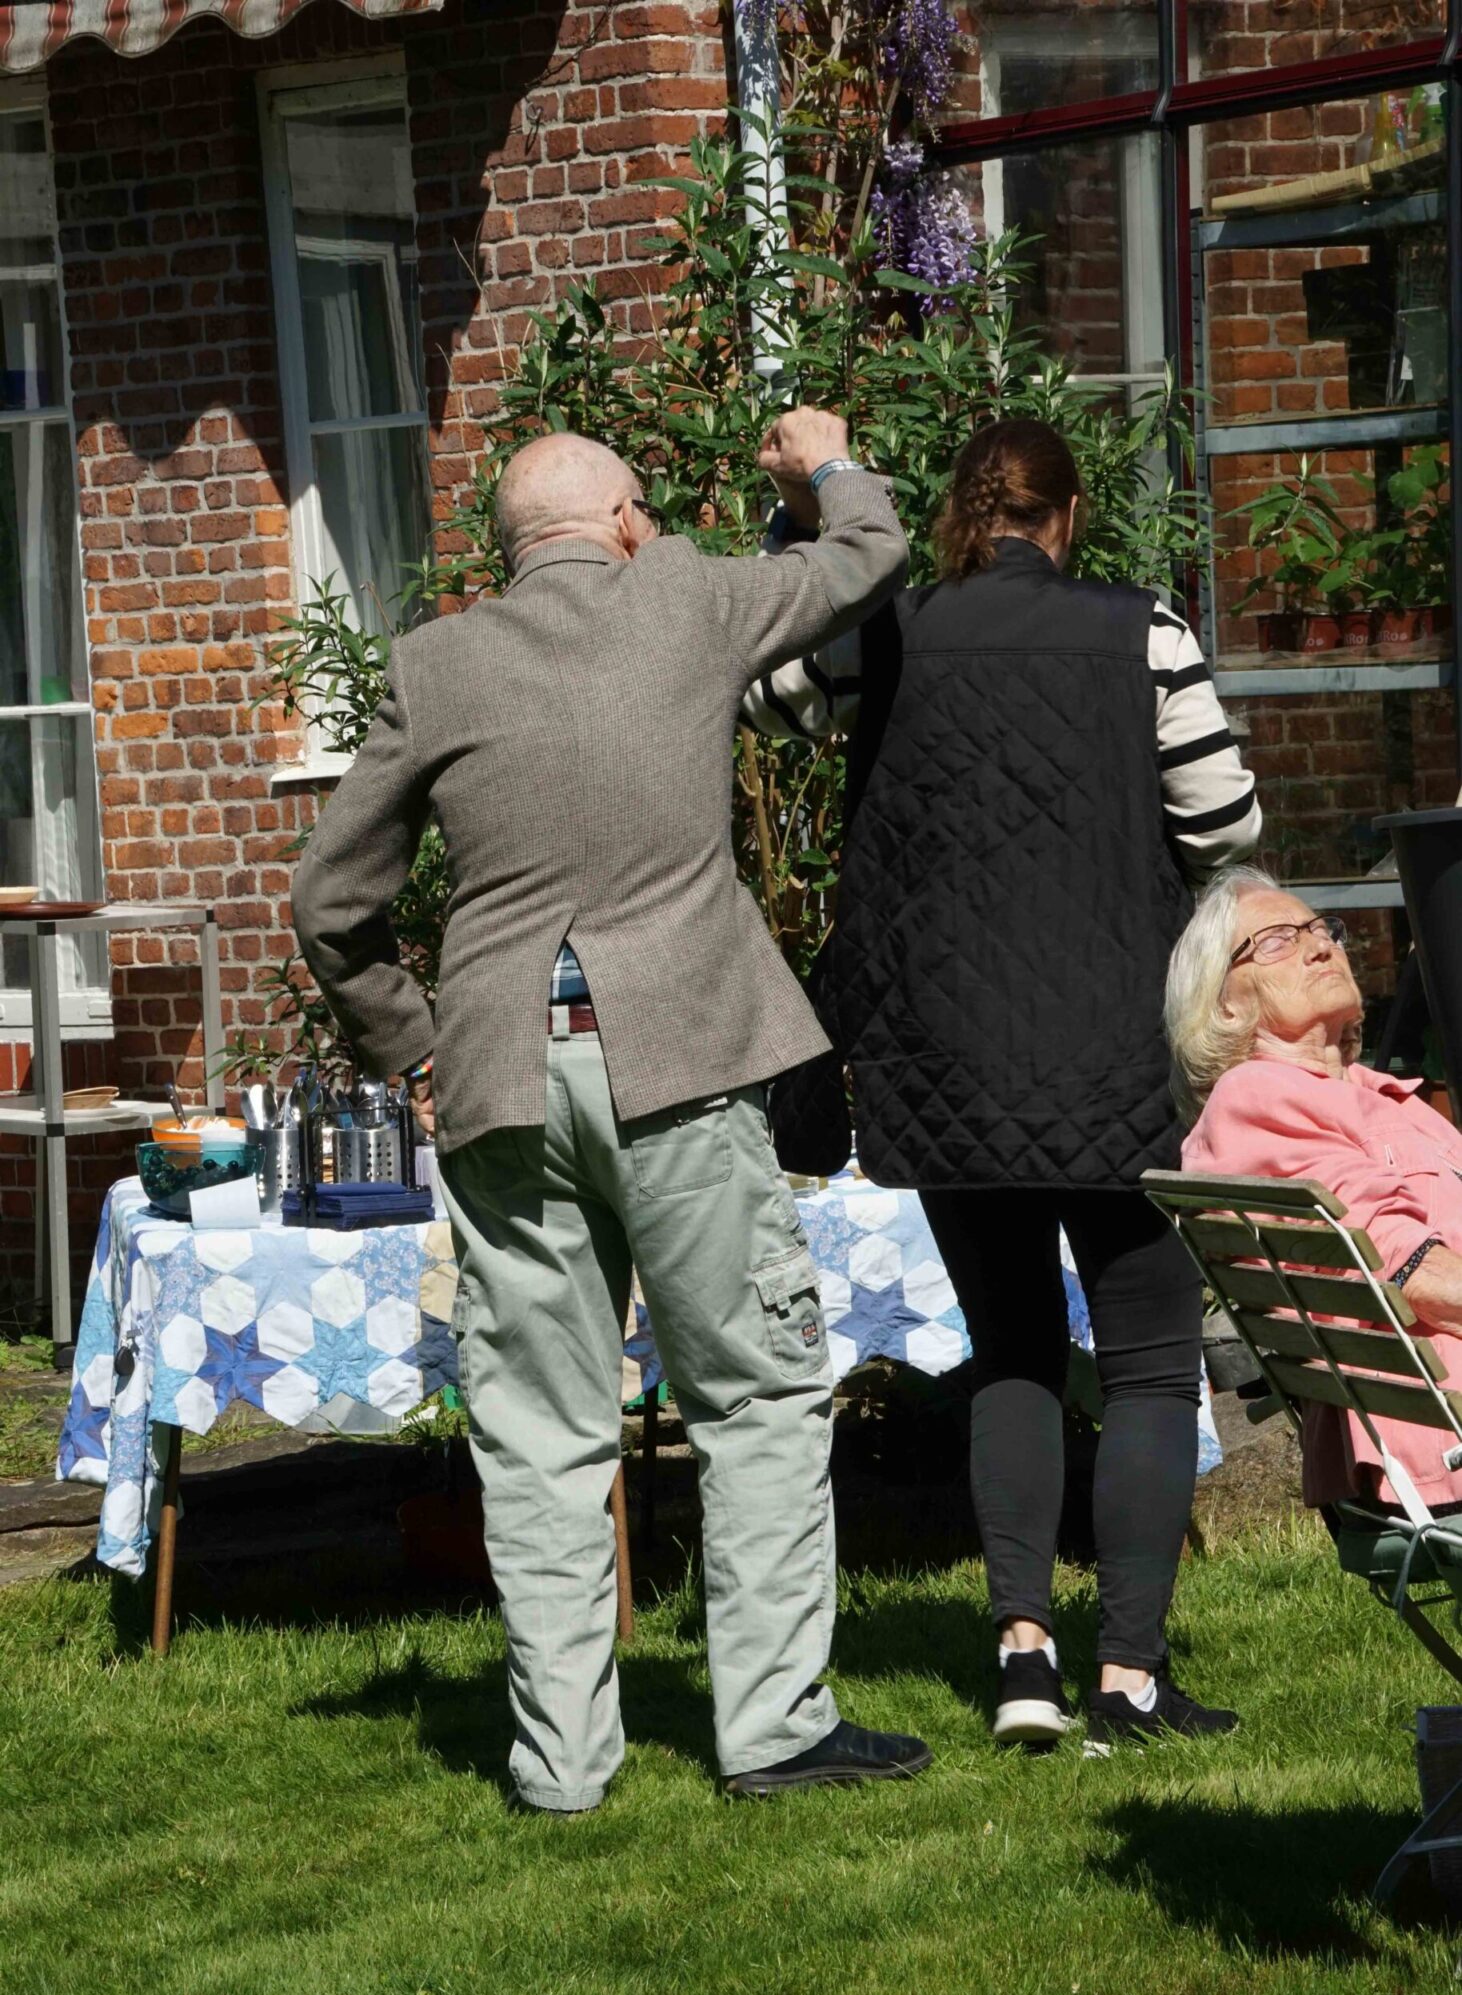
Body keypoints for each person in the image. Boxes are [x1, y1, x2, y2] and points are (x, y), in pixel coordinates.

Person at [291, 413, 932, 1811]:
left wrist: (412, 1044)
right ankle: (769, 1730)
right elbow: (871, 548)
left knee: (538, 1431)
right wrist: (813, 457)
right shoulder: (689, 597)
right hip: (682, 1057)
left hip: (503, 1076)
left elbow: (329, 901)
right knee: (754, 1395)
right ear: (629, 524)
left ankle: (562, 1765)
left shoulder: (439, 660)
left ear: (510, 554)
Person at [751, 419, 1261, 1750]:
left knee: (1012, 1353)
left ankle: (1023, 1658)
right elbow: (1222, 827)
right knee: (1149, 1368)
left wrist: (800, 524)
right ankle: (1129, 1677)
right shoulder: (1138, 630)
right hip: (1113, 1052)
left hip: (943, 1057)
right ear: (1069, 514)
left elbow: (764, 694)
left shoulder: (890, 627)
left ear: (965, 514)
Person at [1169, 865, 1462, 1512]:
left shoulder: (1381, 1097)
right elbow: (1405, 1270)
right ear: (1225, 1003)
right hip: (1444, 1425)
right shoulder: (1258, 1098)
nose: (1322, 944)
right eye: (1276, 939)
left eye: (1321, 928)